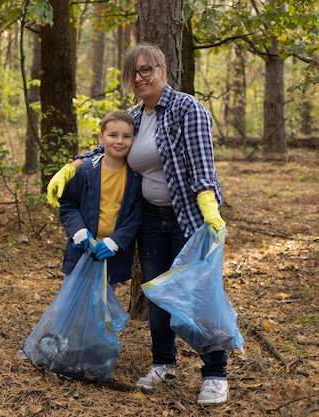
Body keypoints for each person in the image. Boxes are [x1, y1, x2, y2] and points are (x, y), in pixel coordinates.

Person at [47, 43, 229, 405]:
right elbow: (108, 146)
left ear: (163, 69)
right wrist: (73, 166)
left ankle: (215, 373)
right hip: (148, 220)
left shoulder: (185, 108)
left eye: (147, 69)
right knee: (157, 294)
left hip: (187, 218)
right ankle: (163, 362)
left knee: (199, 294)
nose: (140, 77)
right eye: (134, 72)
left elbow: (202, 163)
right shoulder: (135, 116)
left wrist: (208, 203)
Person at [59, 111, 142, 288]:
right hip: (81, 250)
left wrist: (116, 241)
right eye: (113, 135)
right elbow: (68, 204)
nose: (120, 141)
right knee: (73, 303)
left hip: (111, 255)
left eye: (126, 136)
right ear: (101, 138)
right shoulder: (85, 171)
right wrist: (78, 231)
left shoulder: (136, 178)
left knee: (102, 306)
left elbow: (135, 217)